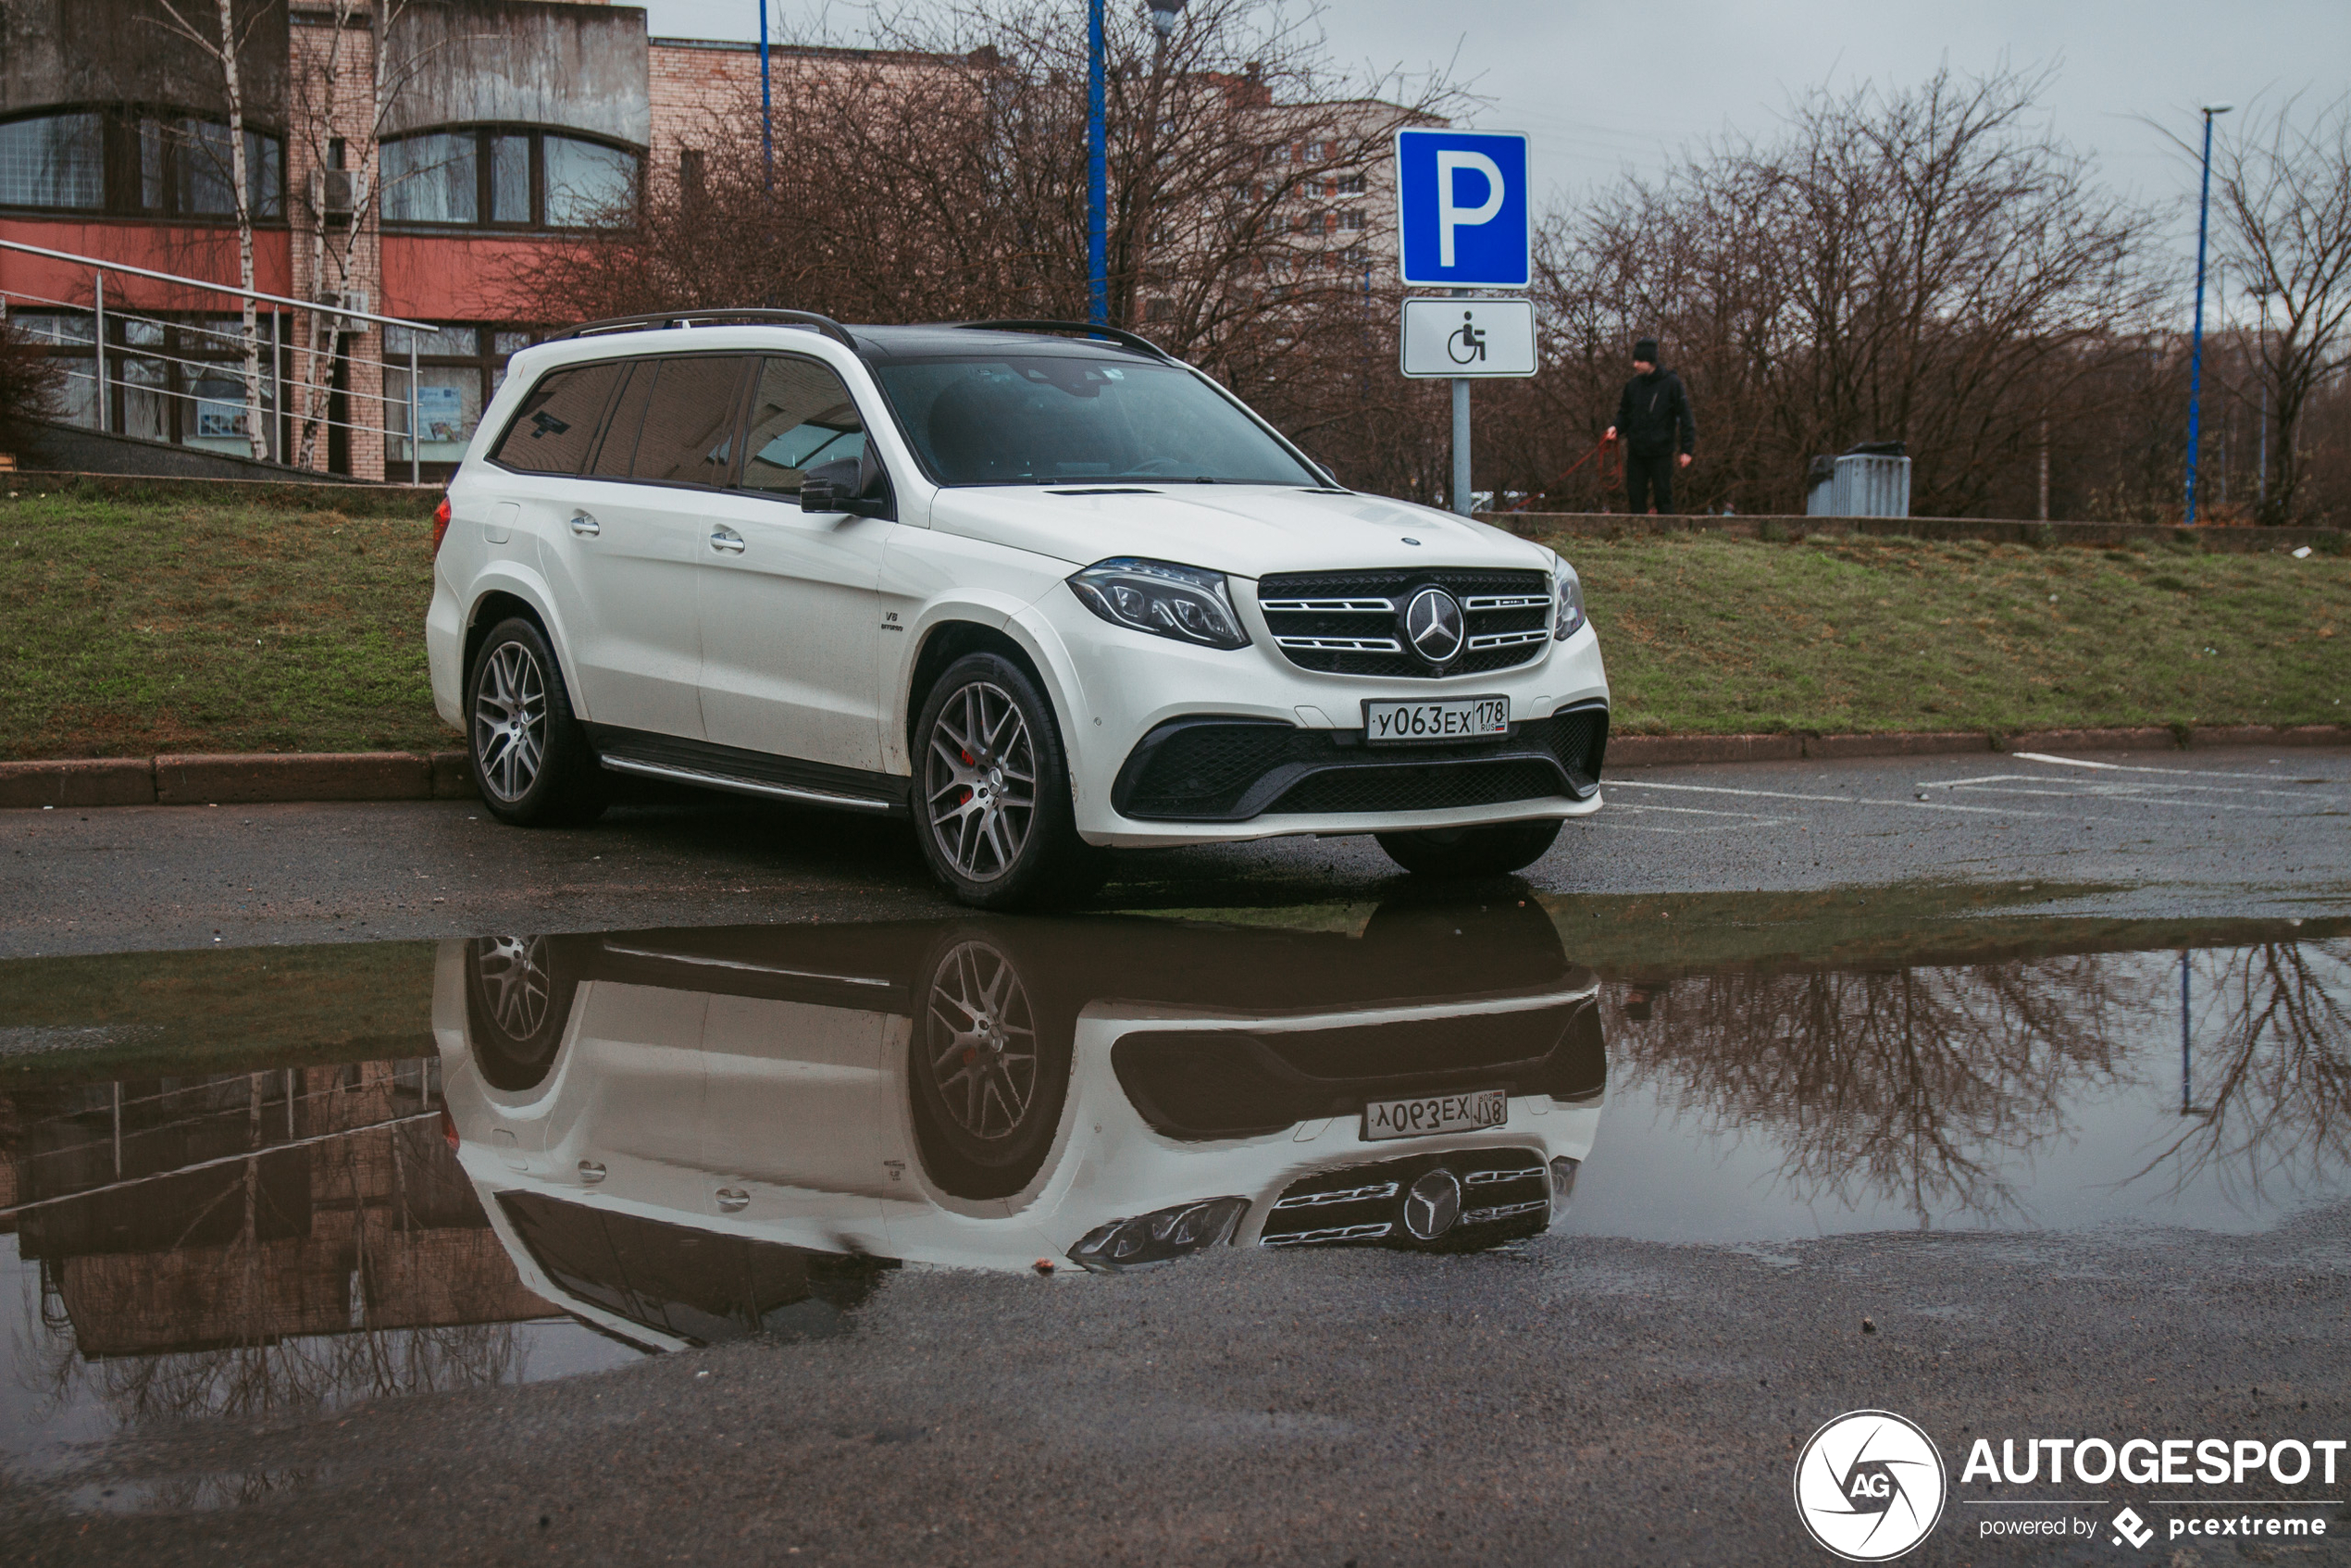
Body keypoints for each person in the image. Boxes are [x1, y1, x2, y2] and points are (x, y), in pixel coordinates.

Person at [1604, 338, 1696, 515]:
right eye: (1634, 360)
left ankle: (1667, 534)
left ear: (1650, 361)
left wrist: (1687, 449)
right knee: (1635, 494)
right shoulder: (1632, 386)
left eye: (1639, 361)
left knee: (1663, 495)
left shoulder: (1671, 384)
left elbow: (1685, 417)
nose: (1635, 364)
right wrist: (1615, 427)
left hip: (1661, 451)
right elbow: (1624, 413)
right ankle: (1638, 534)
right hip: (1637, 450)